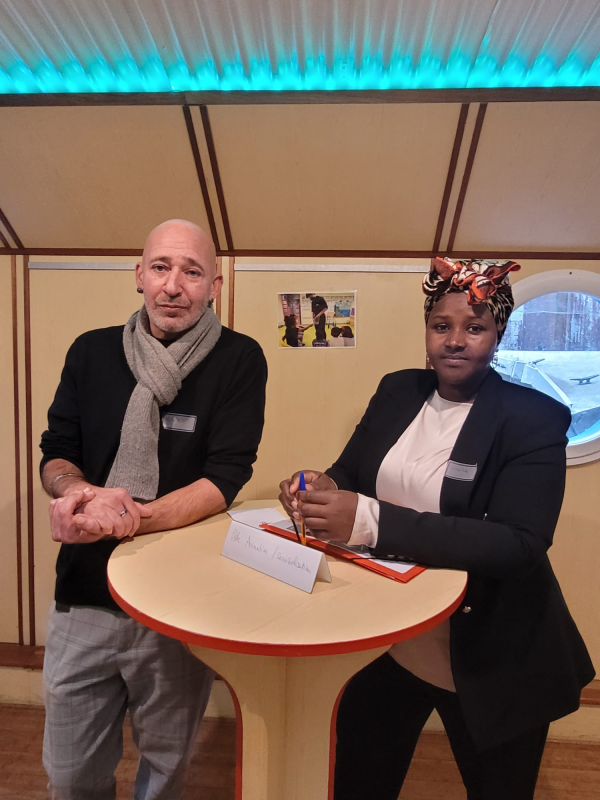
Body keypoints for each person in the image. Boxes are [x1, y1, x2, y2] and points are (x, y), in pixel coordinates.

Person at [279, 257, 594, 800]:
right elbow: (353, 473)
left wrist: (370, 520)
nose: (455, 340)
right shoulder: (398, 391)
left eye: (475, 328)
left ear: (498, 334)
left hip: (493, 651)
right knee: (358, 779)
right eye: (441, 326)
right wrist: (321, 480)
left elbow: (519, 543)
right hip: (392, 638)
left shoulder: (533, 417)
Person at [40, 219, 268, 800]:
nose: (174, 285)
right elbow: (57, 455)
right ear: (139, 275)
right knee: (69, 778)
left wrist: (131, 517)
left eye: (192, 271)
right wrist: (76, 495)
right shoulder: (90, 351)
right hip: (84, 595)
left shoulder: (240, 359)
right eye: (162, 267)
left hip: (176, 603)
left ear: (214, 285)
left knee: (165, 772)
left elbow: (226, 476)